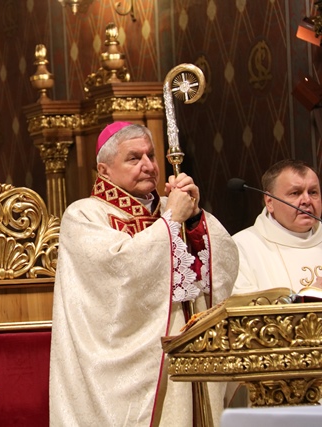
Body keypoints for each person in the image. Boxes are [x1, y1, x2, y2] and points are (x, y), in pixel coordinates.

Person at [49, 122, 238, 426]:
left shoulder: (169, 210)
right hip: (121, 369)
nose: (149, 166)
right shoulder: (84, 215)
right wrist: (172, 219)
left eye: (151, 155)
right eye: (134, 158)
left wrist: (194, 219)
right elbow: (122, 274)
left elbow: (223, 263)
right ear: (104, 170)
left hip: (185, 354)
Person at [232, 159, 322, 295]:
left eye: (313, 192)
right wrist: (311, 295)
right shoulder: (241, 248)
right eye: (295, 193)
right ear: (269, 202)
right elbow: (244, 305)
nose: (307, 200)